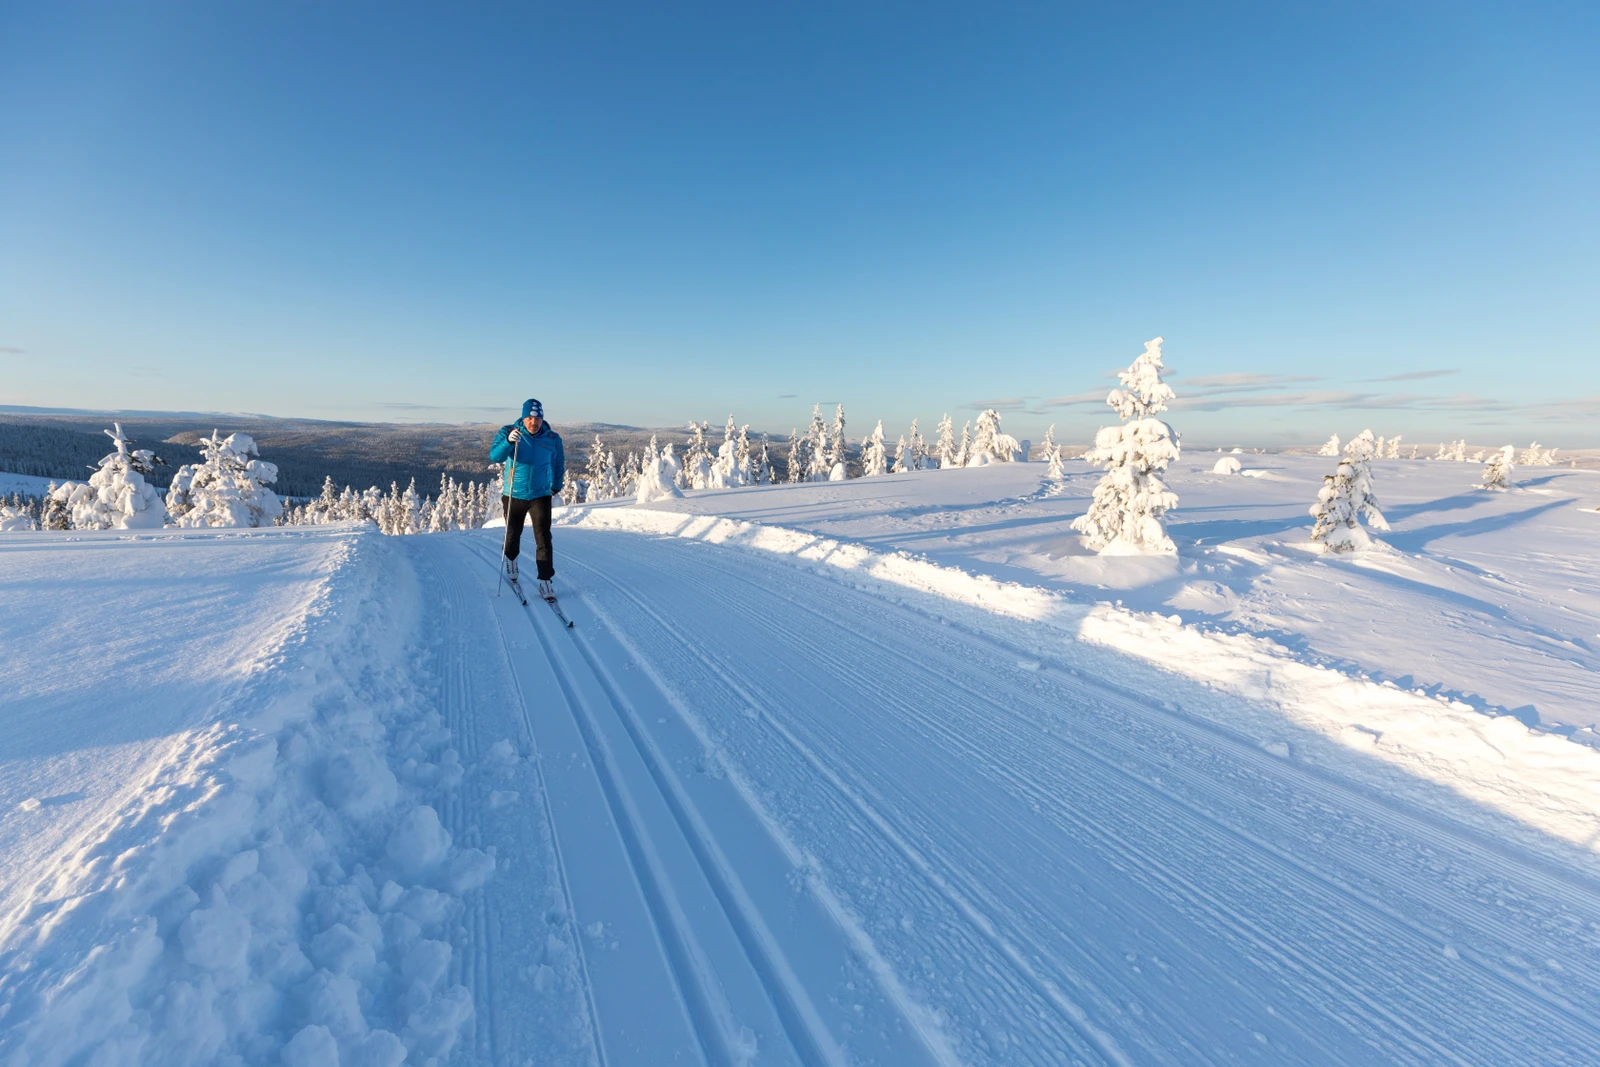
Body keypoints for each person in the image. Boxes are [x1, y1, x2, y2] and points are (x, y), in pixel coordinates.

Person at [490, 398, 565, 593]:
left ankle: (545, 580)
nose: (534, 422)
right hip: (514, 493)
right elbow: (495, 456)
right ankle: (511, 561)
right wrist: (508, 441)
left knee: (543, 538)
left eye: (537, 418)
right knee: (513, 534)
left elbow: (558, 464)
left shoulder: (552, 438)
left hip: (540, 495)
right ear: (523, 418)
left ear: (542, 419)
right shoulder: (509, 432)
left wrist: (556, 486)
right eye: (530, 418)